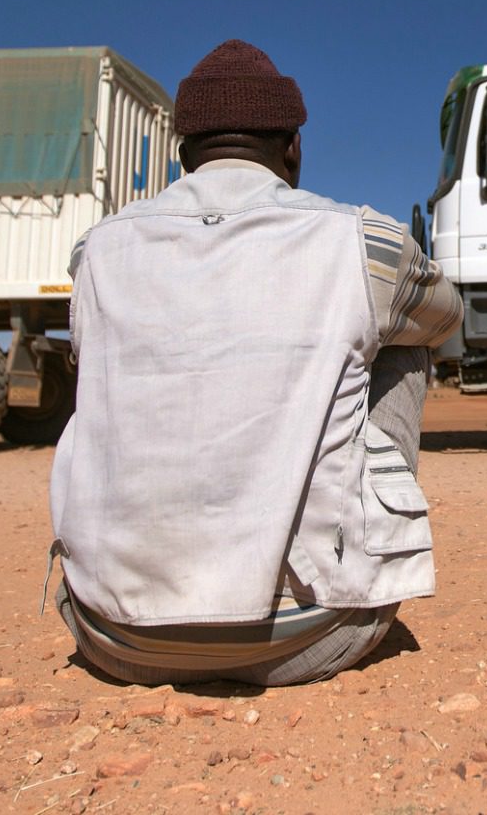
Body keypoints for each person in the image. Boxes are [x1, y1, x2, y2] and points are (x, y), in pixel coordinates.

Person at [48, 38, 463, 686]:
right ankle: (344, 565)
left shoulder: (95, 253)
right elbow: (447, 314)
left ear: (182, 154)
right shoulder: (360, 239)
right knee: (404, 340)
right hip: (314, 631)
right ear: (293, 146)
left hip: (113, 634)